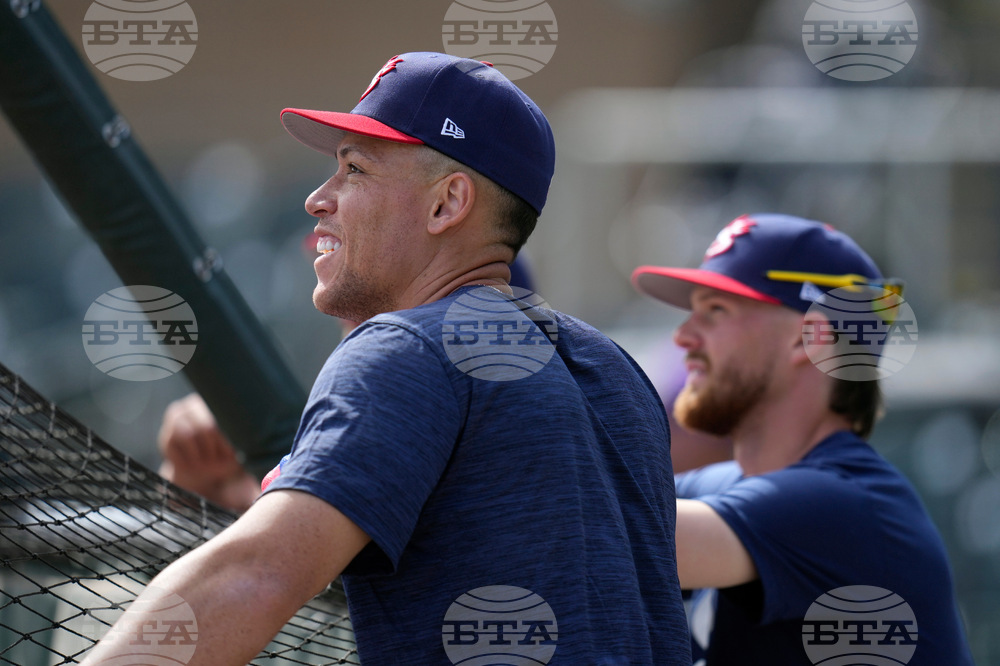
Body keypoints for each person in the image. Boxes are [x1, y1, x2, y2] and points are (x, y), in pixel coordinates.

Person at [83, 52, 692, 664]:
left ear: (447, 204)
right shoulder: (617, 369)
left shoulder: (409, 348)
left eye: (355, 169)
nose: (318, 199)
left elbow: (255, 575)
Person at [632, 214, 973, 665]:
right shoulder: (726, 485)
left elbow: (609, 536)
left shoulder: (848, 507)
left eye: (715, 311)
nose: (683, 336)